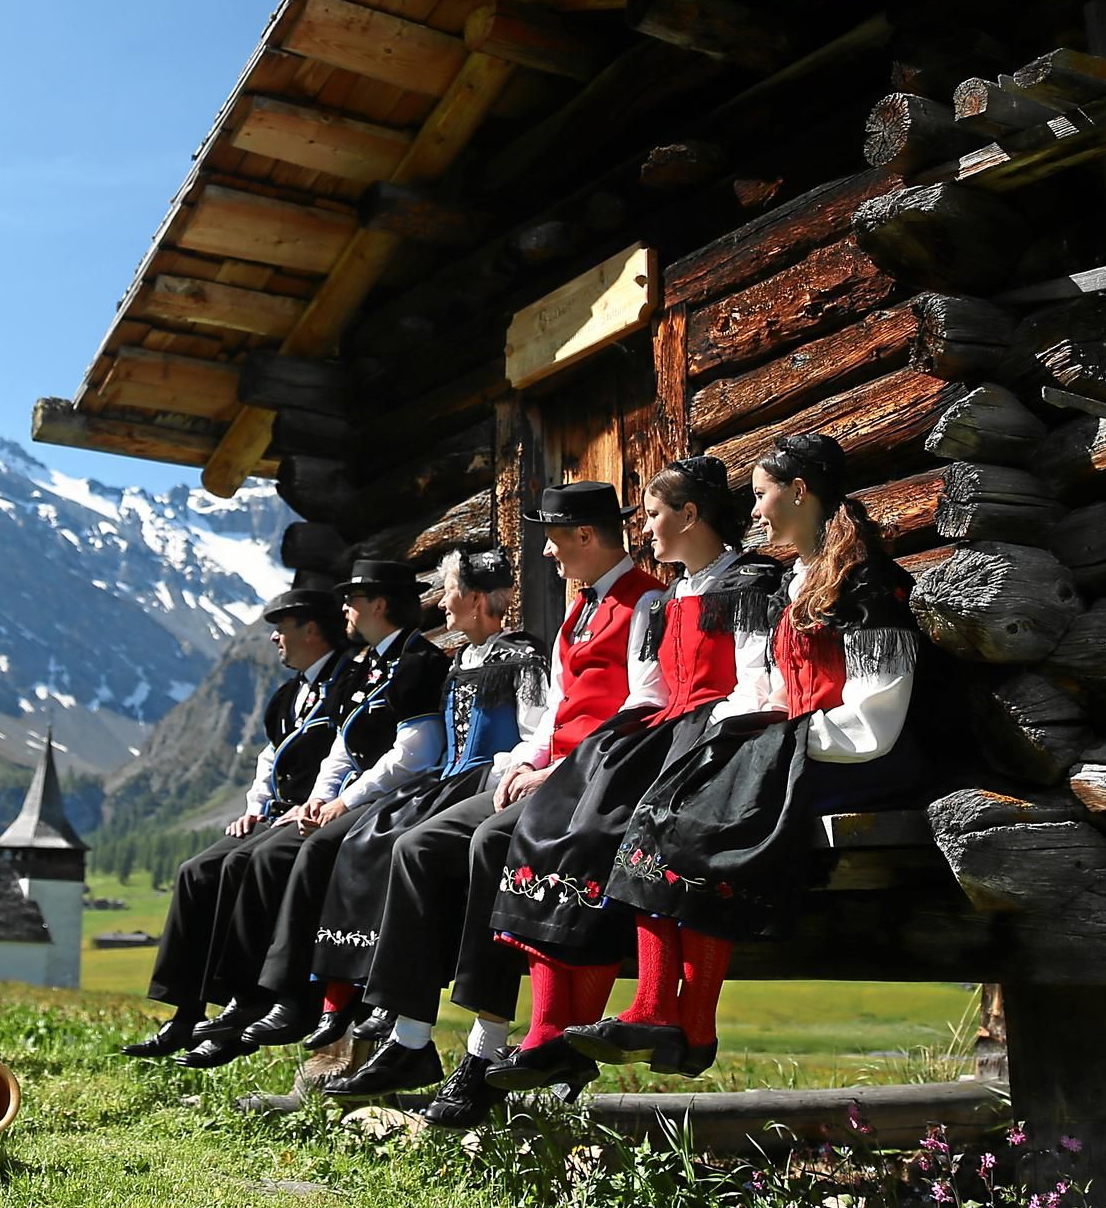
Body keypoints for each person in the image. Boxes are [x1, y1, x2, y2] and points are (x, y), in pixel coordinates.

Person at [572, 435, 926, 1077]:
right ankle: (663, 1010)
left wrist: (780, 744)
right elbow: (774, 688)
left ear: (799, 492)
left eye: (762, 495)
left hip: (861, 759)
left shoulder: (868, 582)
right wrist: (739, 735)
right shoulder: (793, 582)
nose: (756, 511)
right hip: (807, 746)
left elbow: (878, 718)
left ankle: (688, 1019)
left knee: (705, 820)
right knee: (665, 806)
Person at [353, 481, 664, 1125]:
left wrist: (556, 770)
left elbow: (646, 706)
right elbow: (552, 716)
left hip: (601, 779)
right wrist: (524, 762)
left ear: (584, 536)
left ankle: (483, 1050)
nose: (547, 555)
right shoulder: (578, 613)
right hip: (553, 771)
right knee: (417, 846)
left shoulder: (649, 603)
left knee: (493, 844)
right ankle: (408, 1038)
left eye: (552, 539)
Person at [485, 457, 780, 1099]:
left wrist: (692, 731)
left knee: (645, 829)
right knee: (560, 815)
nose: (645, 530)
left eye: (652, 515)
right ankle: (554, 1024)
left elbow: (756, 683)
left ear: (690, 515)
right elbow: (648, 688)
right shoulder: (671, 597)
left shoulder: (750, 584)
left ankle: (666, 1009)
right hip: (664, 724)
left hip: (725, 728)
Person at [177, 558, 449, 1069]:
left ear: (380, 605)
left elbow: (416, 752)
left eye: (353, 598)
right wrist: (317, 800)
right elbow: (341, 749)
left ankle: (292, 996)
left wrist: (343, 802)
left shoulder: (419, 663)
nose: (343, 607)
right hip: (357, 794)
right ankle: (248, 996)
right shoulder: (369, 666)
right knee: (259, 856)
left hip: (401, 793)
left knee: (307, 851)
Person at [308, 546, 548, 1101]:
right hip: (451, 779)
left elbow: (534, 732)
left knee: (411, 846)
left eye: (452, 588)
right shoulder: (463, 658)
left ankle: (401, 1017)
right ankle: (376, 995)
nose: (443, 601)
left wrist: (508, 774)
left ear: (481, 598)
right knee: (373, 835)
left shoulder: (522, 658)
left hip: (493, 780)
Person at [120, 584, 361, 1058]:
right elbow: (270, 755)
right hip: (274, 814)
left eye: (281, 630)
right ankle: (186, 1014)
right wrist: (255, 805)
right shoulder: (290, 692)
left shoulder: (346, 681)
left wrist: (313, 801)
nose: (274, 639)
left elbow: (349, 754)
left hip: (315, 812)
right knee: (195, 873)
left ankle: (240, 1006)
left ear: (311, 630)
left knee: (242, 866)